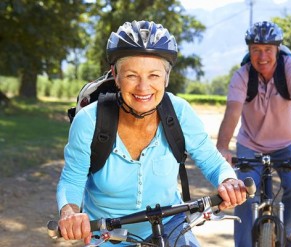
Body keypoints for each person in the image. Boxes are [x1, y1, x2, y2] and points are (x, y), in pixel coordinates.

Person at [56, 20, 248, 247]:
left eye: (154, 75)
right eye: (132, 76)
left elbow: (212, 161)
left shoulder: (179, 112)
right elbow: (72, 177)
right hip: (106, 233)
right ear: (115, 76)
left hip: (170, 223)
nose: (143, 87)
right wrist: (69, 212)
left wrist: (228, 180)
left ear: (166, 78)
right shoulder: (89, 120)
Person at [216, 21, 291, 247]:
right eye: (256, 50)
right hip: (250, 146)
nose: (262, 56)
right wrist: (222, 147)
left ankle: (286, 229)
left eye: (268, 50)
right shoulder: (242, 75)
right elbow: (232, 113)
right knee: (243, 192)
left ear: (277, 49)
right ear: (249, 51)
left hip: (286, 145)